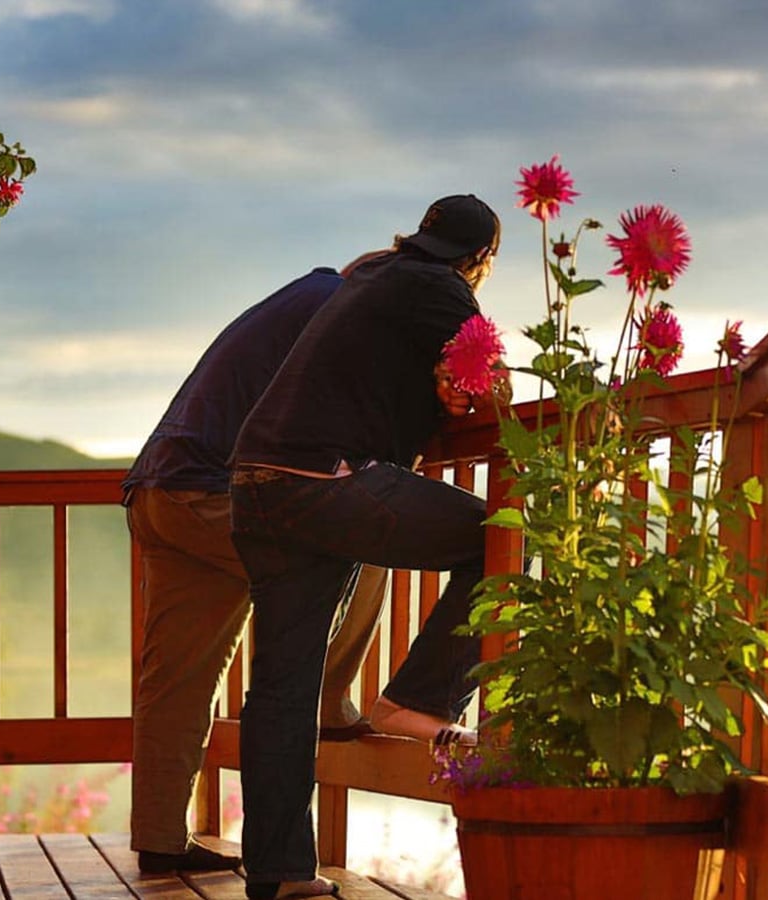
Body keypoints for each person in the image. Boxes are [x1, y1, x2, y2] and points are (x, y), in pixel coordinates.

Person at [228, 194, 502, 900]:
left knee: (283, 686)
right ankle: (420, 700)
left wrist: (438, 391)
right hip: (324, 480)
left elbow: (409, 376)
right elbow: (490, 375)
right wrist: (468, 391)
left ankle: (279, 871)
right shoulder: (437, 288)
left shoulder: (373, 277)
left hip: (257, 480)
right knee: (502, 537)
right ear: (480, 261)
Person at [122, 249, 395, 875]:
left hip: (161, 487)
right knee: (372, 537)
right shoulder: (340, 311)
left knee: (178, 677)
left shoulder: (299, 300)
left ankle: (160, 839)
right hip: (215, 494)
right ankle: (328, 699)